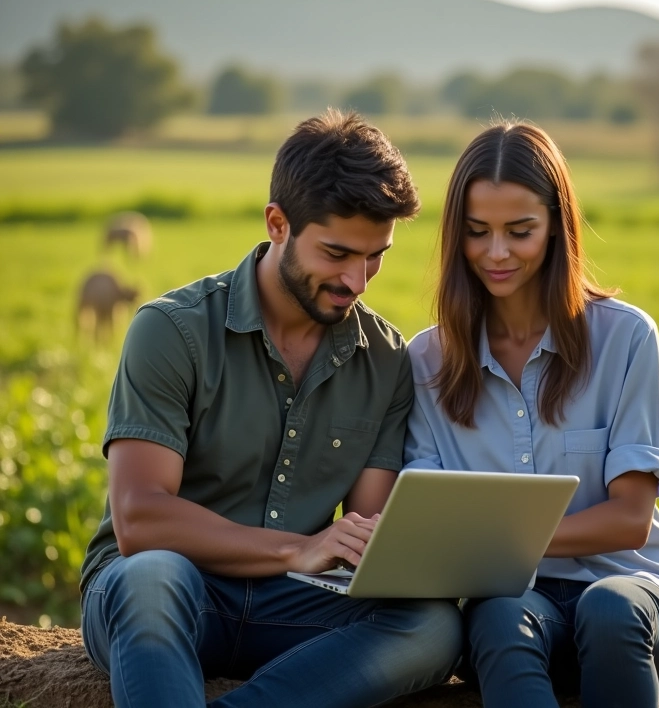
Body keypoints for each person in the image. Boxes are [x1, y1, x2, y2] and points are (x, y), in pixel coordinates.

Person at [80, 109, 462, 708]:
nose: (357, 280)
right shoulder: (171, 331)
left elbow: (367, 538)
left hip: (292, 603)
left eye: (375, 257)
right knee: (152, 578)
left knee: (432, 623)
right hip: (169, 594)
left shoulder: (386, 360)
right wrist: (293, 549)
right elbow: (141, 521)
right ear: (277, 223)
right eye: (336, 253)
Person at [403, 120, 659, 708]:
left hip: (634, 602)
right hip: (521, 610)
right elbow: (432, 523)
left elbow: (629, 521)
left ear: (557, 227)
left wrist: (493, 544)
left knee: (608, 608)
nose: (496, 252)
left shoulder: (626, 338)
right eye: (476, 232)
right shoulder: (427, 360)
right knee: (497, 614)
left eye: (520, 231)